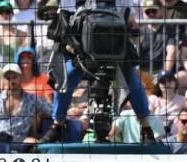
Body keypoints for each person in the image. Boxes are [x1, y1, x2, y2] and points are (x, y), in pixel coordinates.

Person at [39, 0, 154, 143]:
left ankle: (146, 127)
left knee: (132, 80)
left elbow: (131, 22)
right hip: (83, 55)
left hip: (116, 54)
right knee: (65, 77)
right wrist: (73, 47)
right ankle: (58, 124)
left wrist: (132, 34)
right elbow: (64, 25)